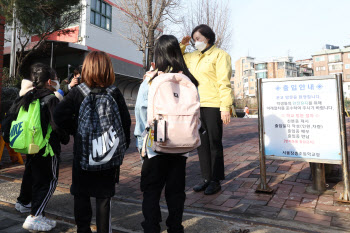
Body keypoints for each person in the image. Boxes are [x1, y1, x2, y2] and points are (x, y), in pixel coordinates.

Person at [54, 51, 131, 233]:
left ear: (86, 69)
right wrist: (120, 147)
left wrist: (76, 129)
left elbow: (58, 115)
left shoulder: (77, 92)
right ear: (108, 69)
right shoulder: (114, 92)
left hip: (83, 153)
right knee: (104, 197)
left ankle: (83, 230)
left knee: (81, 194)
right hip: (107, 154)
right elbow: (125, 123)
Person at [134, 34, 199, 233]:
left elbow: (141, 112)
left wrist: (141, 143)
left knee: (151, 191)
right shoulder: (188, 79)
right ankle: (175, 228)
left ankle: (151, 228)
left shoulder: (151, 79)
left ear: (158, 54)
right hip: (181, 146)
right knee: (176, 192)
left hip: (156, 145)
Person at [2, 63, 69, 231]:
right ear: (48, 81)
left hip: (31, 146)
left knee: (34, 176)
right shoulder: (50, 99)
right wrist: (66, 138)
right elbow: (57, 125)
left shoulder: (27, 95)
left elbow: (10, 118)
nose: (56, 82)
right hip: (48, 148)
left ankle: (26, 205)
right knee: (49, 181)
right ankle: (35, 216)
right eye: (54, 80)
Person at [181, 24, 233, 195]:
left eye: (198, 39)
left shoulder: (220, 55)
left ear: (208, 38)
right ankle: (206, 178)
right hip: (196, 104)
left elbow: (224, 83)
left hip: (213, 104)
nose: (196, 42)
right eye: (194, 39)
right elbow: (176, 57)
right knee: (201, 143)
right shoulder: (192, 56)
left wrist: (225, 107)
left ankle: (215, 180)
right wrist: (183, 44)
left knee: (214, 142)